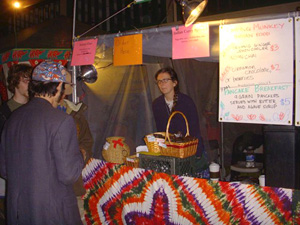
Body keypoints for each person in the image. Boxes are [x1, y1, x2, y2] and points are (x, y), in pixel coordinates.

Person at [0, 60, 84, 225]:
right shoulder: (61, 121)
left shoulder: (13, 119)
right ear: (58, 86)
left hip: (19, 212)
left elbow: (4, 170)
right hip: (52, 213)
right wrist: (81, 155)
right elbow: (68, 174)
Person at [152, 67, 209, 176]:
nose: (162, 84)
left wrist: (197, 152)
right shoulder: (157, 104)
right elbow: (161, 129)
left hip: (188, 149)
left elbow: (194, 127)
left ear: (174, 82)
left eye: (165, 80)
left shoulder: (186, 101)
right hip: (170, 151)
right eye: (159, 81)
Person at [58, 84, 93, 224]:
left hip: (74, 183)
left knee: (78, 218)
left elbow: (87, 139)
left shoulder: (75, 113)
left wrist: (83, 152)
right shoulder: (44, 114)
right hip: (52, 187)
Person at [0, 63, 32, 135]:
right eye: (25, 81)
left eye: (31, 81)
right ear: (15, 82)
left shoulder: (36, 106)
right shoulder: (4, 112)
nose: (30, 85)